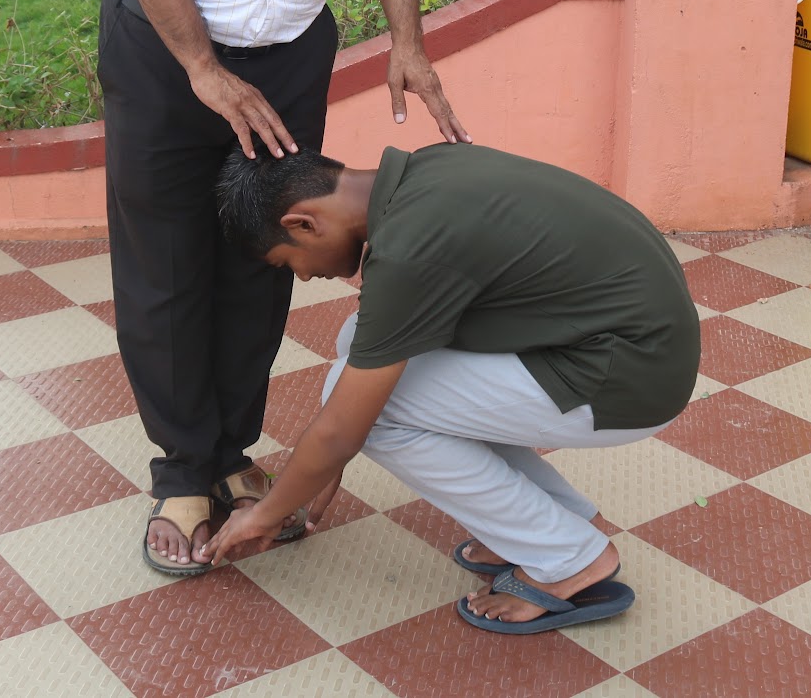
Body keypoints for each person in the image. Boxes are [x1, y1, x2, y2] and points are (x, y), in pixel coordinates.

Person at [79, 0, 470, 575]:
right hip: (165, 56)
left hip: (291, 50)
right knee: (166, 263)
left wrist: (407, 39)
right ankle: (184, 471)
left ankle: (230, 451)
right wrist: (201, 67)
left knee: (266, 250)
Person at [200, 144, 700, 634]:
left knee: (374, 411)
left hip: (629, 380)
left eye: (288, 263)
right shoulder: (425, 174)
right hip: (624, 345)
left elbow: (341, 430)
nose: (305, 275)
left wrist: (267, 513)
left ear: (303, 224)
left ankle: (567, 558)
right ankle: (556, 521)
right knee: (357, 342)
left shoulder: (409, 249)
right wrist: (328, 456)